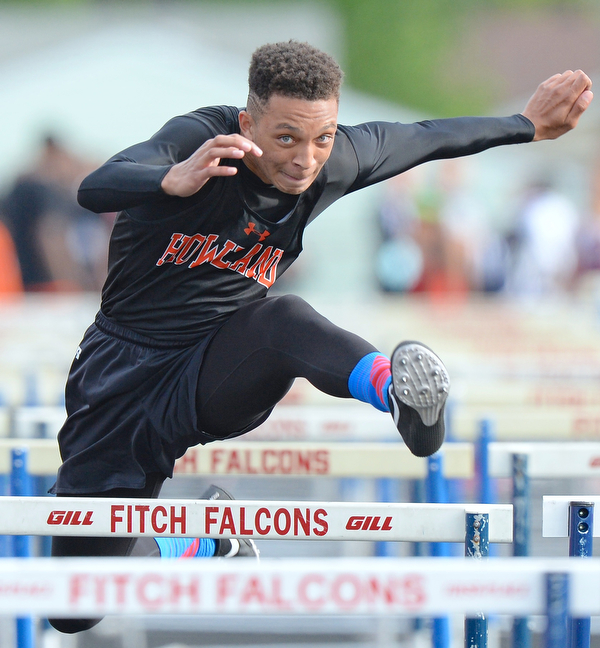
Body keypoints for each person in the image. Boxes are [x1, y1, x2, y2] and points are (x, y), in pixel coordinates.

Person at [49, 40, 592, 634]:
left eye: (323, 138)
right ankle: (200, 539)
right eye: (285, 139)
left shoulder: (335, 160)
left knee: (283, 319)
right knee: (74, 607)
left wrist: (526, 126)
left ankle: (398, 391)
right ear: (248, 123)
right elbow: (96, 186)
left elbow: (425, 135)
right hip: (122, 372)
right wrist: (169, 180)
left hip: (224, 363)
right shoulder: (200, 138)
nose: (305, 159)